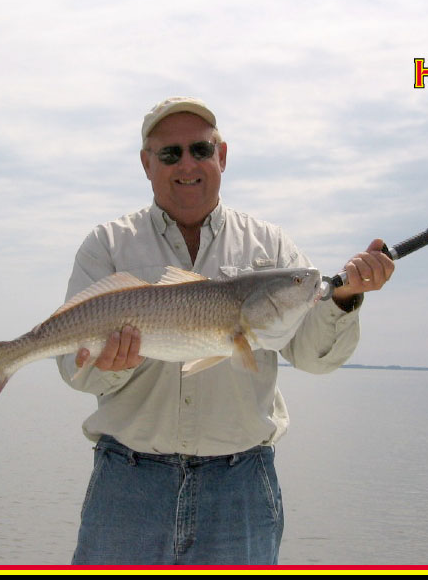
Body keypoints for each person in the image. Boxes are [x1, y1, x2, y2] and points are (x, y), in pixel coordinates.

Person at [57, 97, 394, 565]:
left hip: (241, 489)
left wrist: (344, 298)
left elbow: (314, 357)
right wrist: (112, 366)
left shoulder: (271, 245)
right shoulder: (107, 245)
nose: (187, 164)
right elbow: (73, 371)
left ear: (222, 156)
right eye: (170, 153)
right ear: (146, 164)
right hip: (127, 483)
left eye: (200, 149)